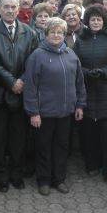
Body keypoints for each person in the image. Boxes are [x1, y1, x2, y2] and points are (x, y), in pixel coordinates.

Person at [23, 17, 86, 195]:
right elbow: (30, 86)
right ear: (46, 33)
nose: (57, 35)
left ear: (65, 34)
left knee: (62, 147)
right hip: (44, 113)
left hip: (66, 112)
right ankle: (43, 180)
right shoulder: (37, 55)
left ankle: (59, 179)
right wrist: (33, 112)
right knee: (43, 147)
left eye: (60, 32)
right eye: (53, 32)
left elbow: (79, 82)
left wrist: (80, 105)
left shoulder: (71, 54)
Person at [0, 0, 39, 192]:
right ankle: (0, 175)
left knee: (19, 137)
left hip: (22, 92)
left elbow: (33, 60)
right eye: (6, 7)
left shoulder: (29, 32)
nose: (10, 10)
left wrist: (22, 81)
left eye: (13, 7)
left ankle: (16, 173)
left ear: (18, 9)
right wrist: (11, 81)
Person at [74, 5, 107, 184]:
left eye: (98, 19)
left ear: (103, 21)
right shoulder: (81, 39)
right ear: (87, 22)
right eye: (92, 19)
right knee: (89, 133)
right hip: (87, 90)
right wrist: (86, 72)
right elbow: (74, 63)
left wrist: (104, 72)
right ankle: (92, 165)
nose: (95, 22)